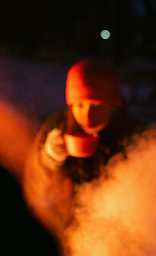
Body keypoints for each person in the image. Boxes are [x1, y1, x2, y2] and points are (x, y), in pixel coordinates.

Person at [23, 59, 144, 242]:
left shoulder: (132, 135)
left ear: (113, 104)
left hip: (117, 237)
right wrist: (49, 159)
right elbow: (34, 189)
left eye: (97, 106)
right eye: (79, 105)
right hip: (61, 232)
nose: (87, 115)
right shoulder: (58, 126)